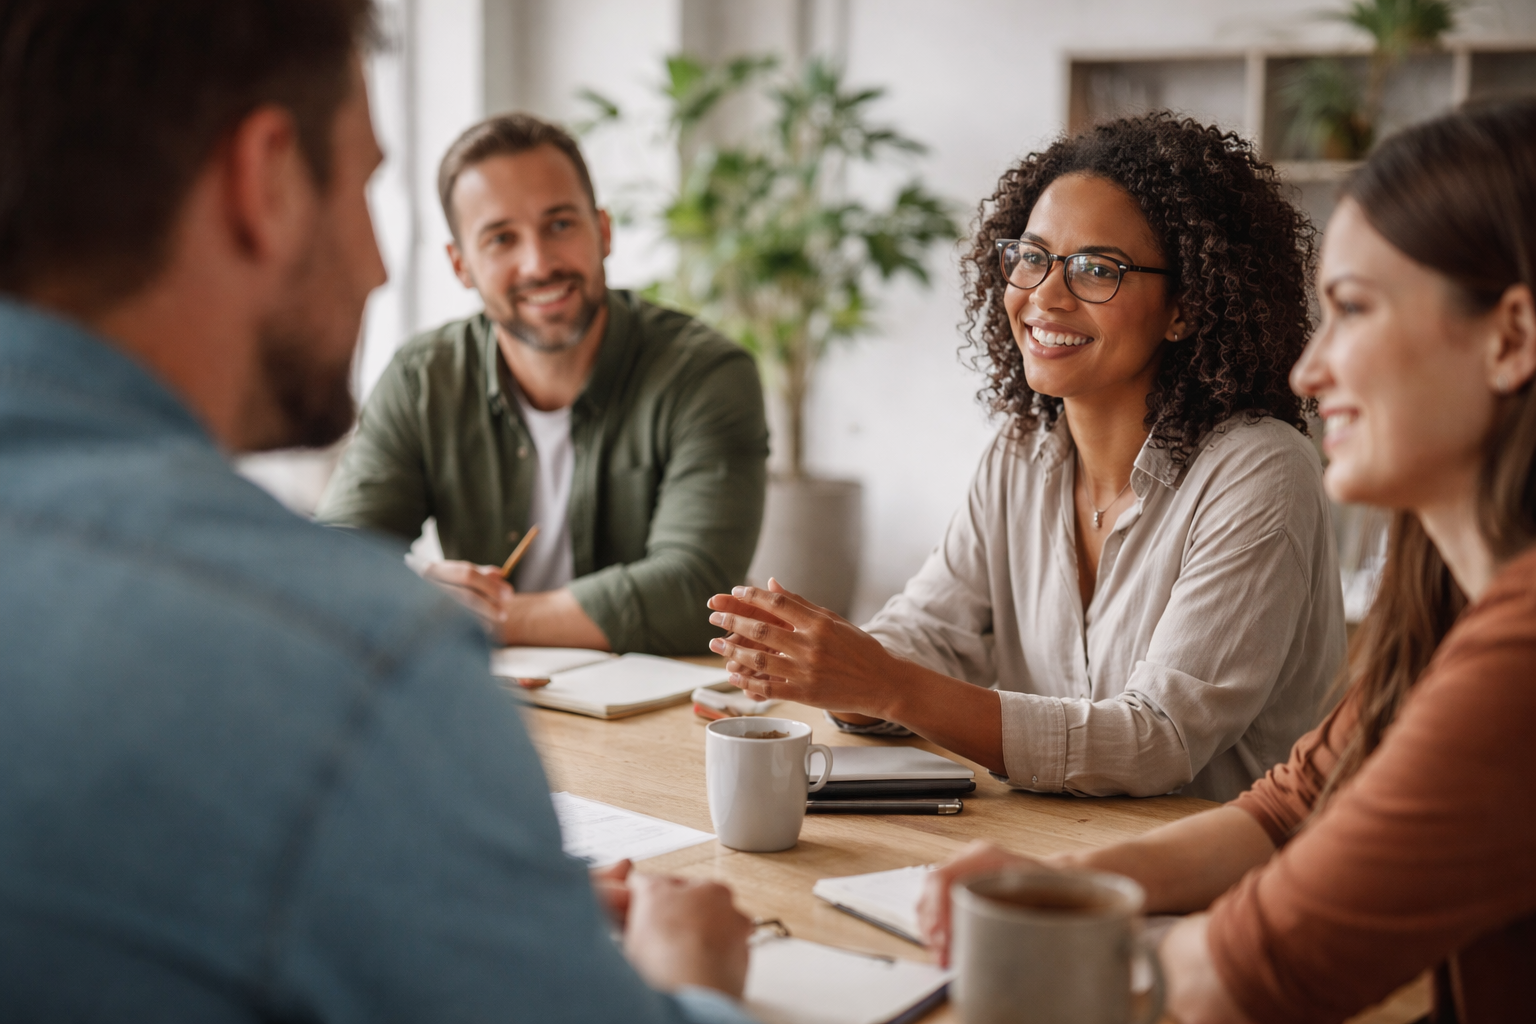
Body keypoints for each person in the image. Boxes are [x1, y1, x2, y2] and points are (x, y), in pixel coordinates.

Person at [0, 2, 758, 1021]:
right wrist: (689, 982)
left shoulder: (701, 370)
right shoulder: (350, 669)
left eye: (560, 223)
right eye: (362, 183)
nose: (375, 263)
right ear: (263, 177)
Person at [918, 98, 1536, 1024]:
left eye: (1356, 311)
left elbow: (1249, 970)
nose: (1308, 372)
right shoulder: (1446, 598)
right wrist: (1065, 879)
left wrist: (1049, 933)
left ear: (1512, 339)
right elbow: (1286, 812)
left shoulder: (1519, 659)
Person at [708, 114, 1345, 802]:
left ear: (1186, 307)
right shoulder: (1020, 456)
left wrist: (886, 683)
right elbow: (929, 632)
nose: (1044, 295)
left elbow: (1157, 741)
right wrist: (827, 664)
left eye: (1097, 269)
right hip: (1047, 850)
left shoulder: (1261, 471)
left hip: (1210, 881)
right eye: (1033, 257)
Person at [316, 113, 769, 655]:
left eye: (559, 225)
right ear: (461, 265)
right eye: (501, 239)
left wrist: (484, 617)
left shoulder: (706, 376)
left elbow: (699, 591)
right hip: (488, 701)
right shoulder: (422, 381)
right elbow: (335, 562)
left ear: (602, 231)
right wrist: (420, 590)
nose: (539, 263)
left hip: (647, 716)